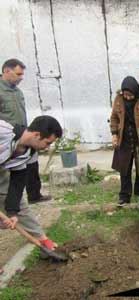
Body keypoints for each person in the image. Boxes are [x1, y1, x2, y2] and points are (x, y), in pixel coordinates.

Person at [0, 115, 63, 251]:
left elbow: (17, 183)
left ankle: (41, 239)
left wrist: (12, 213)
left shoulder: (28, 153)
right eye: (47, 143)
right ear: (36, 134)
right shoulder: (2, 131)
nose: (47, 147)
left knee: (20, 206)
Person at [0, 58, 51, 204]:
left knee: (32, 162)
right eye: (18, 74)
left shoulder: (18, 92)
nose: (21, 78)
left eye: (22, 74)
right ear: (6, 71)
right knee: (11, 170)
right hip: (6, 137)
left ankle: (34, 195)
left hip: (24, 133)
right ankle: (10, 201)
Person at [110, 76, 139, 206]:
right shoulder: (118, 99)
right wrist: (114, 134)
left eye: (130, 95)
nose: (127, 97)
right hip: (124, 140)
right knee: (124, 169)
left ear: (135, 91)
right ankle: (124, 197)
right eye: (125, 94)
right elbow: (114, 118)